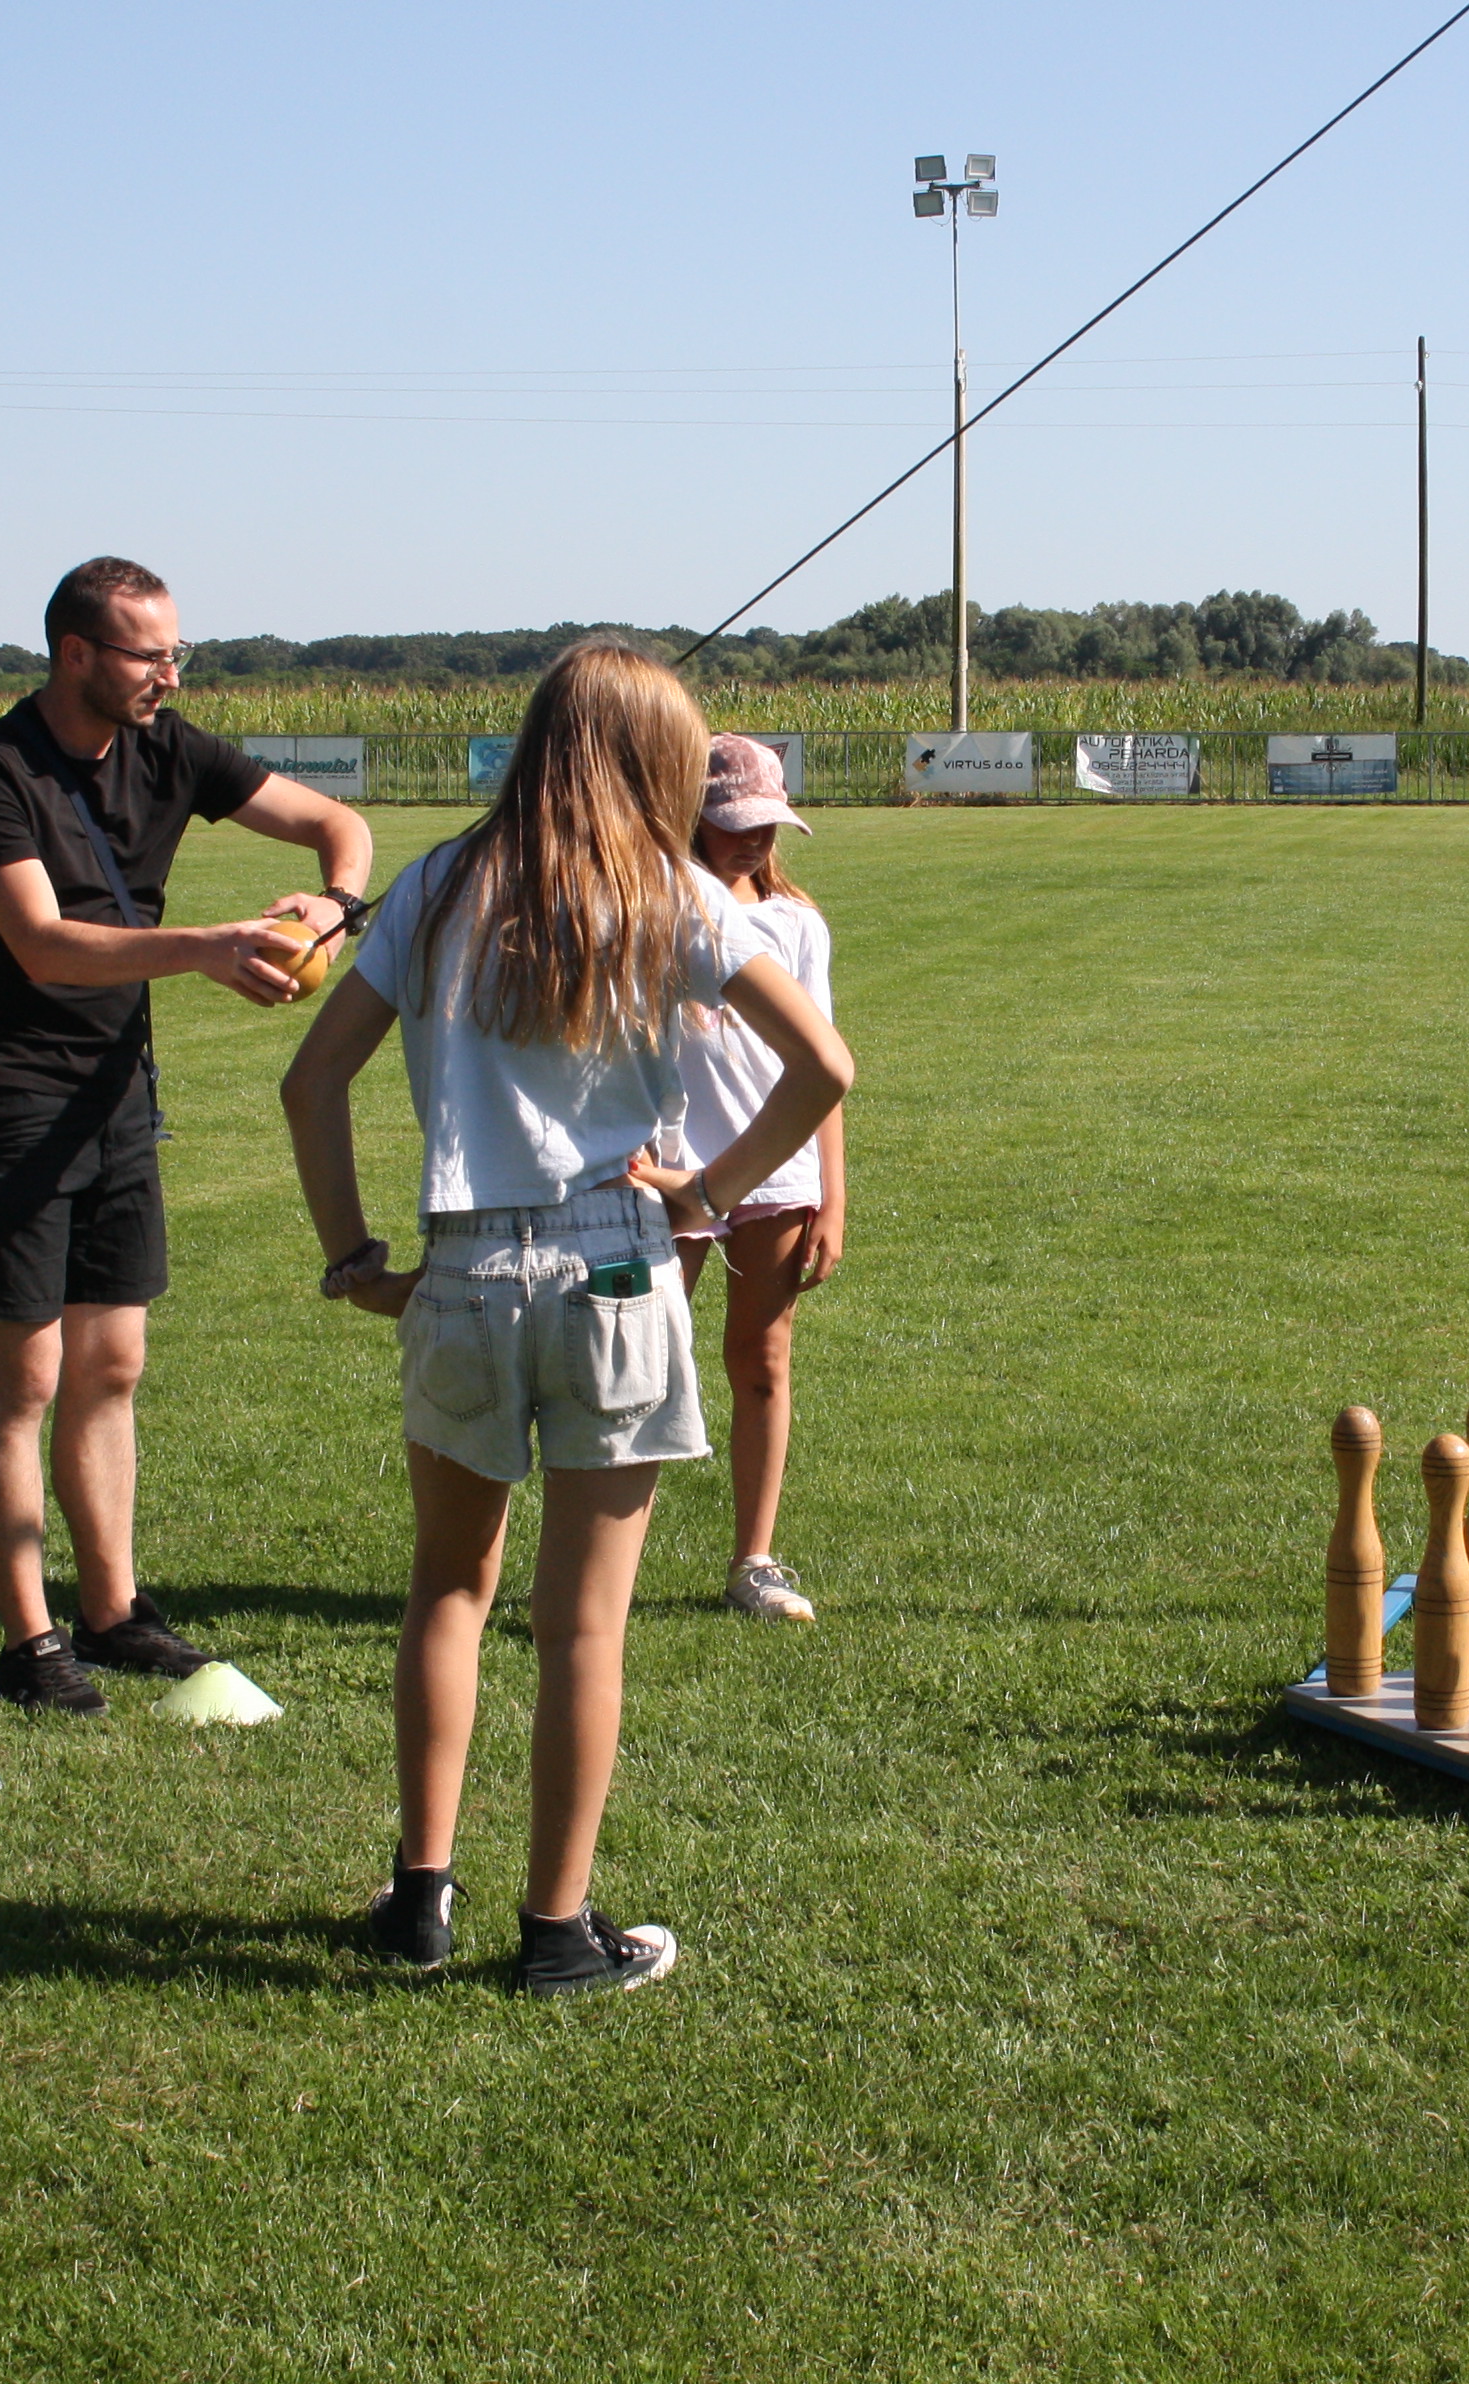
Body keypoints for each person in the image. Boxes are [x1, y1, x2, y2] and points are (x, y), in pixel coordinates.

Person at [280, 638, 852, 1995]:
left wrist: (354, 1259)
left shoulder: (436, 882)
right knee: (584, 1624)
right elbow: (824, 1065)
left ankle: (420, 1902)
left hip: (464, 1269)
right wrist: (708, 1191)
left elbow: (312, 1084)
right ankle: (555, 1933)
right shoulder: (673, 892)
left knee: (448, 1589)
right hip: (616, 1269)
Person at [0, 555, 376, 1714]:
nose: (170, 675)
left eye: (178, 653)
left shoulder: (170, 747)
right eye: (150, 654)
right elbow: (39, 942)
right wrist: (207, 948)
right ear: (77, 653)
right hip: (14, 1101)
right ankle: (29, 1639)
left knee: (113, 1365)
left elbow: (335, 822)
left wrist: (335, 901)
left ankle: (112, 1611)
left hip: (119, 1096)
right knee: (27, 1375)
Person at [661, 735, 844, 1624]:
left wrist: (833, 1197)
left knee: (762, 1361)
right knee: (644, 1366)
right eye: (735, 824)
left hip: (776, 1172)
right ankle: (600, 1561)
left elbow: (824, 1068)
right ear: (689, 817)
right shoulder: (655, 907)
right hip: (671, 1170)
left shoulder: (798, 925)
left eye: (768, 826)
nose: (755, 841)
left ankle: (755, 1562)